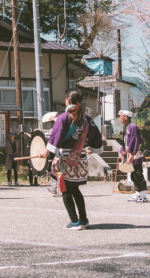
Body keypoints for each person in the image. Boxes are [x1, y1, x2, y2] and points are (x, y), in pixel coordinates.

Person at [44, 91, 102, 230]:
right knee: (75, 189)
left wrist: (46, 151)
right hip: (81, 159)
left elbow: (56, 137)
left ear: (68, 100)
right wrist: (91, 148)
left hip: (66, 159)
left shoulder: (64, 118)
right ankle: (83, 220)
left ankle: (74, 221)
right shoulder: (88, 119)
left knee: (65, 190)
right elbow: (97, 138)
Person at [119, 109, 147, 202]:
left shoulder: (133, 126)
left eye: (121, 117)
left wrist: (131, 153)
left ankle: (143, 195)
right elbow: (125, 141)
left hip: (135, 153)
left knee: (138, 174)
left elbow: (135, 140)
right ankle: (138, 193)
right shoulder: (127, 127)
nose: (120, 119)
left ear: (126, 117)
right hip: (130, 153)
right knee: (133, 175)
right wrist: (123, 151)